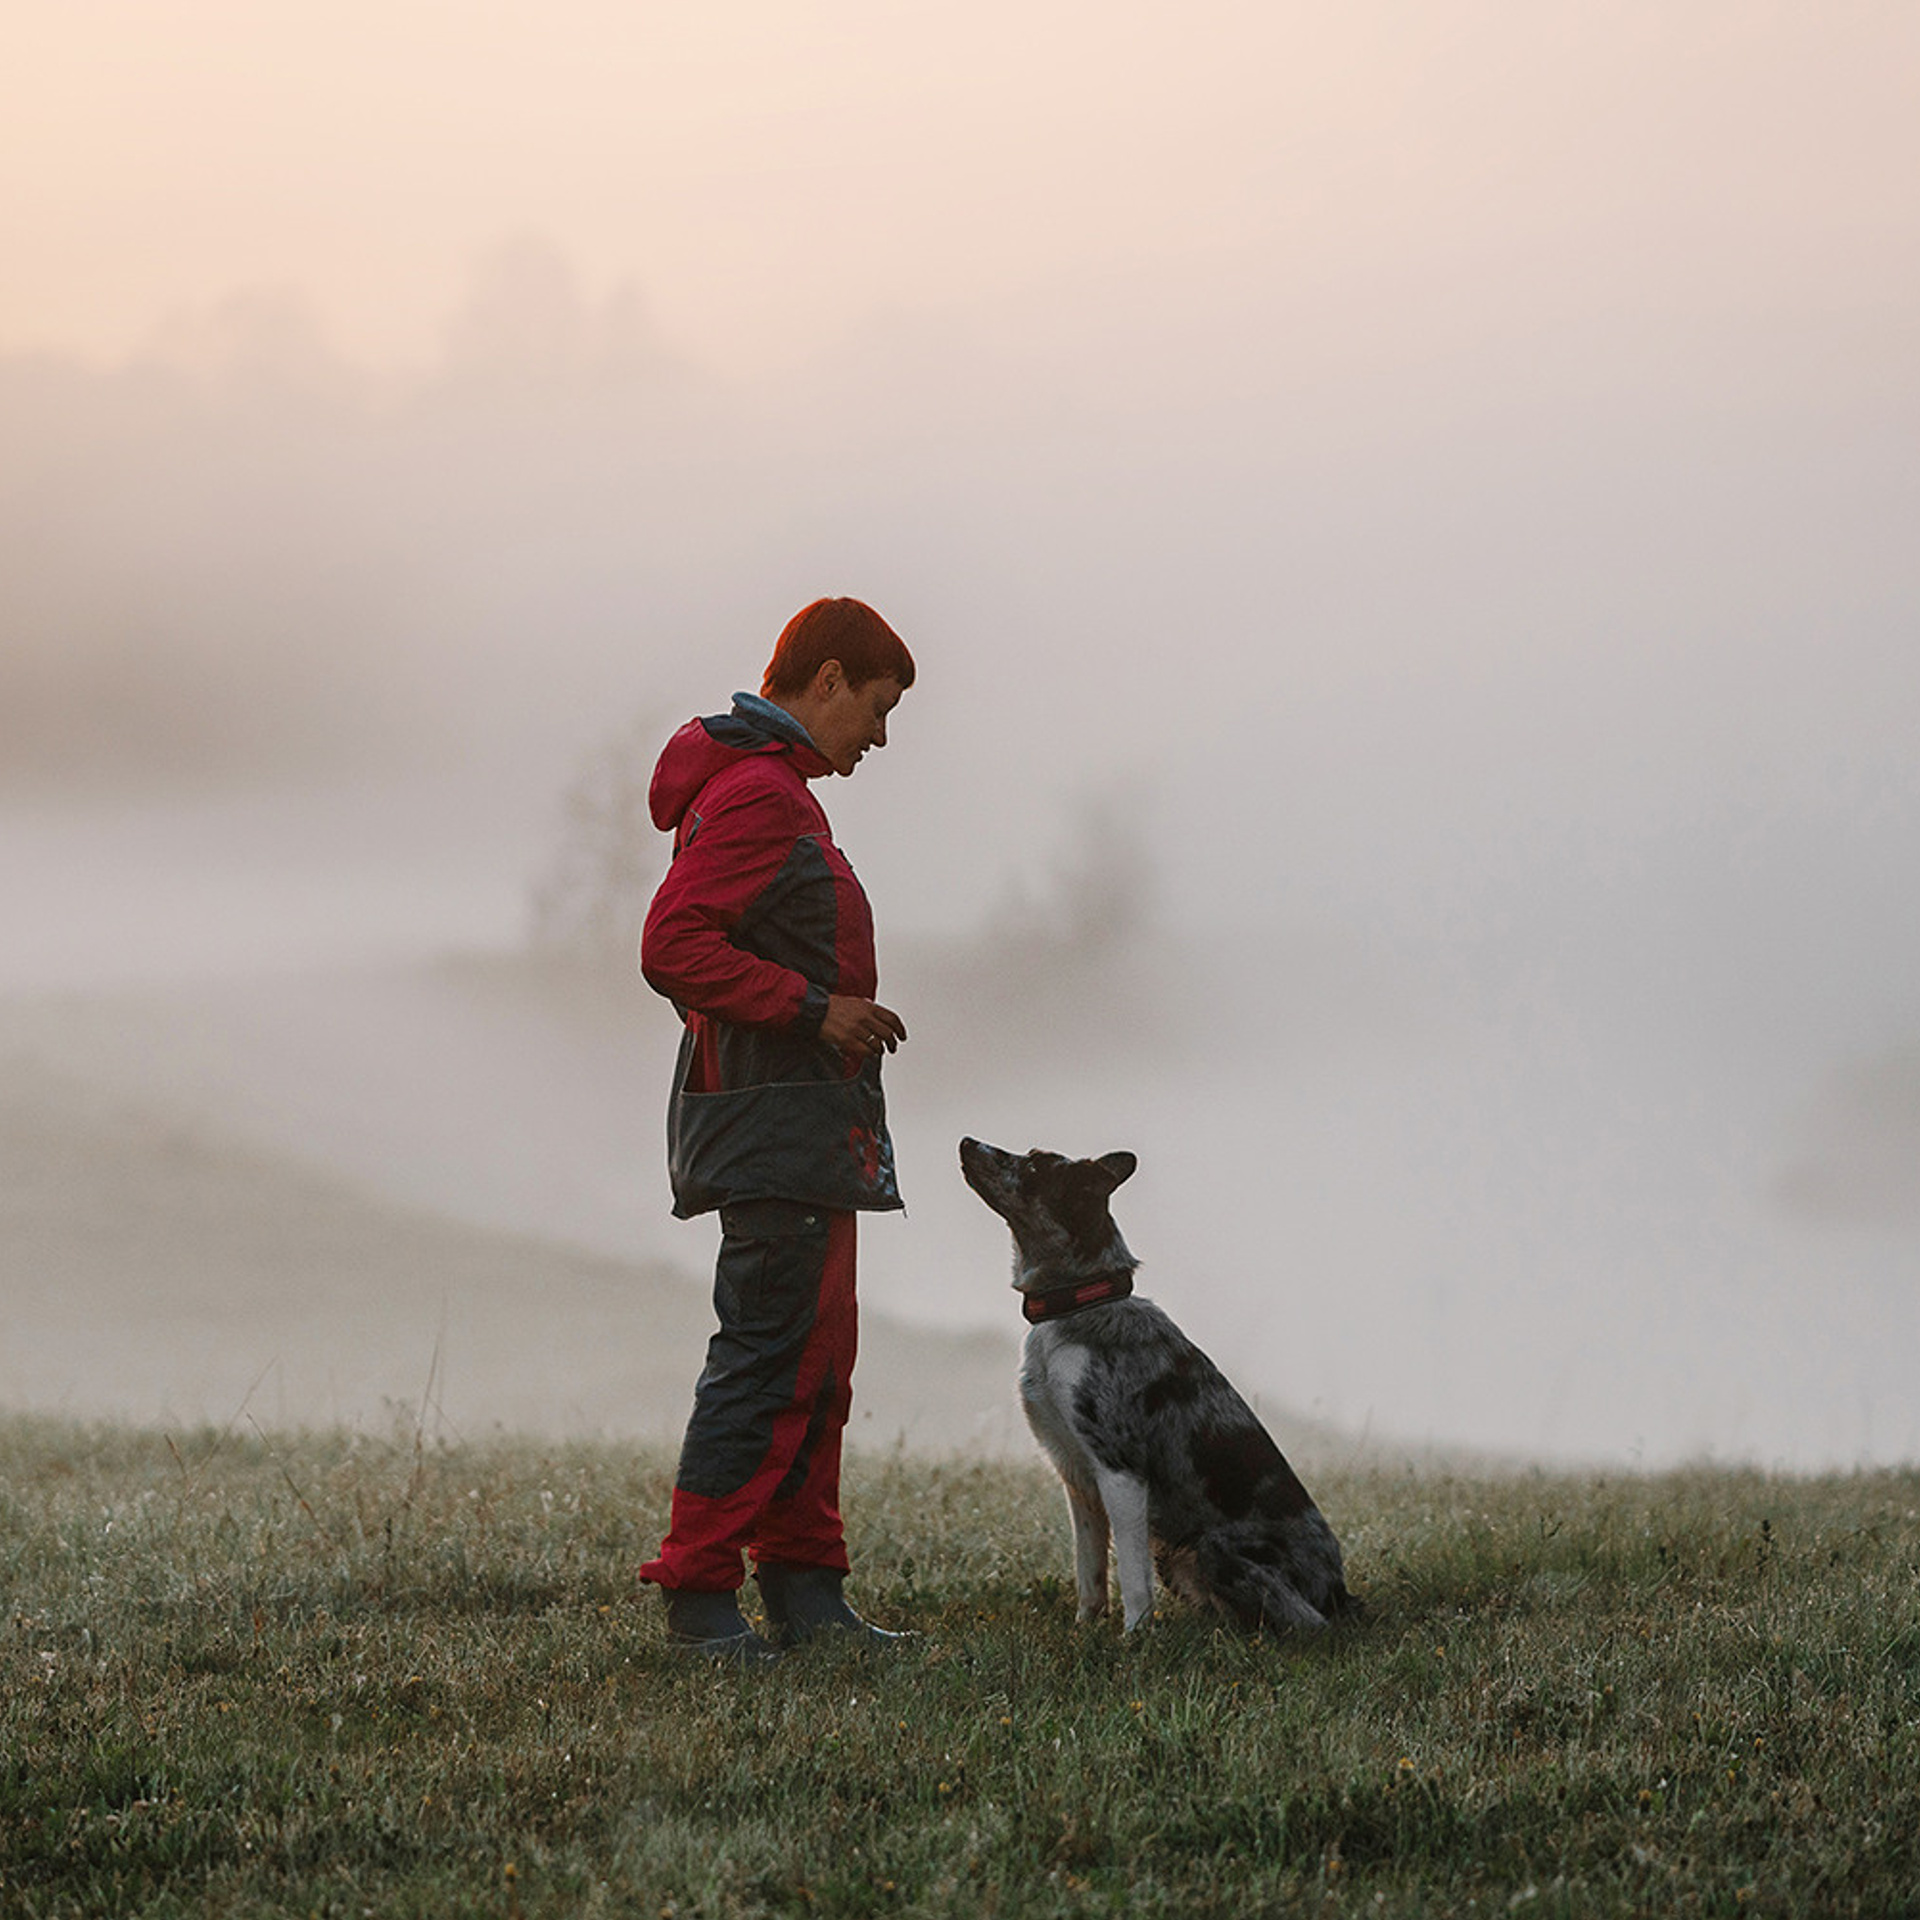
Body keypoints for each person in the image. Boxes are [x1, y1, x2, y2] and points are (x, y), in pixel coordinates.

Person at [636, 596, 914, 1658]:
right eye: (877, 710)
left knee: (816, 1359)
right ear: (830, 680)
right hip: (775, 1127)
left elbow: (710, 951)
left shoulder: (777, 792)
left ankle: (807, 1591)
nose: (879, 738)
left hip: (798, 1125)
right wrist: (813, 1010)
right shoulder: (760, 795)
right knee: (765, 1358)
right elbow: (673, 946)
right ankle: (701, 1601)